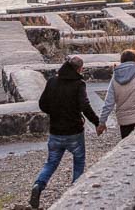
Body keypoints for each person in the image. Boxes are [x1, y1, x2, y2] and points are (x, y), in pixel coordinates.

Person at [29, 55, 102, 209]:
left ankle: (38, 185)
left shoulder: (52, 82)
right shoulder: (78, 84)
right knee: (79, 161)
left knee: (51, 163)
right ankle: (75, 196)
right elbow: (85, 106)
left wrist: (55, 112)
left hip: (55, 131)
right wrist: (97, 122)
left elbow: (43, 104)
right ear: (79, 69)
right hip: (74, 131)